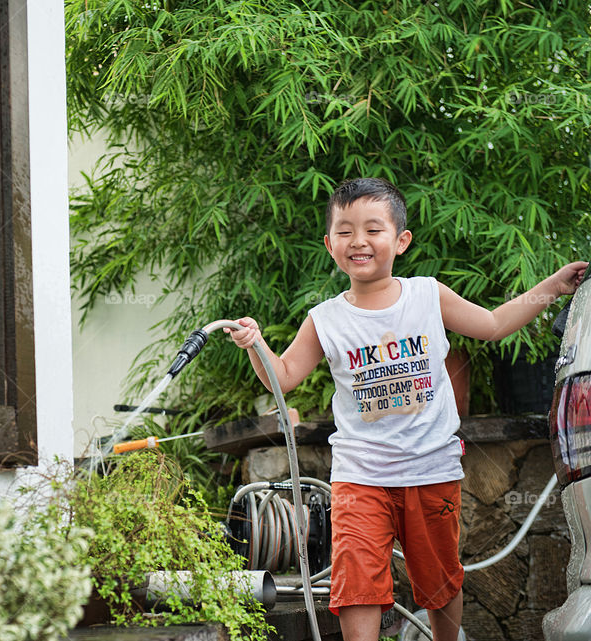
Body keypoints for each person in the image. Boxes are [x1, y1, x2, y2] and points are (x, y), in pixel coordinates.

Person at [225, 177, 587, 641]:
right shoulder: (325, 319)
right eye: (345, 230)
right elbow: (285, 376)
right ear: (329, 244)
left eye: (373, 229)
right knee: (355, 579)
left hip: (430, 471)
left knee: (438, 580)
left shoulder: (427, 295)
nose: (358, 241)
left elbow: (493, 324)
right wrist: (256, 345)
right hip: (360, 476)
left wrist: (552, 288)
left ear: (401, 240)